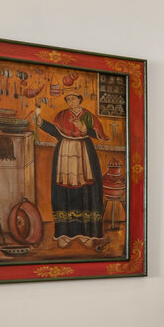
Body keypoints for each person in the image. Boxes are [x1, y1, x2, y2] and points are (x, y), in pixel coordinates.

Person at [32, 93, 111, 247]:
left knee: (86, 192)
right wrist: (41, 122)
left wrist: (84, 128)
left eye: (73, 98)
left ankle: (87, 234)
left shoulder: (88, 115)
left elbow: (98, 134)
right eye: (68, 99)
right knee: (63, 192)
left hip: (84, 153)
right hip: (64, 154)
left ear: (80, 99)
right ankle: (64, 234)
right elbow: (55, 132)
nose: (70, 101)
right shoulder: (61, 115)